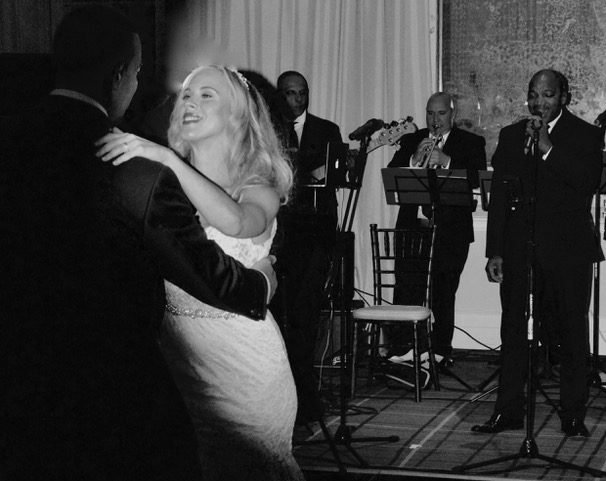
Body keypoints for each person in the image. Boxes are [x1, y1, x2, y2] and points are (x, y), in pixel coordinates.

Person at [0, 6, 275, 480]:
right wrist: (263, 284)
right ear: (120, 75)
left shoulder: (12, 137)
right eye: (138, 71)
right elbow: (207, 273)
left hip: (21, 364)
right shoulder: (136, 169)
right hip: (114, 373)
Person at [96, 65, 304, 480]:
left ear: (237, 115)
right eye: (187, 94)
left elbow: (237, 223)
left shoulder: (257, 186)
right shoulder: (158, 184)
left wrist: (167, 158)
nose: (190, 102)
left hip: (243, 364)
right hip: (177, 361)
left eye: (207, 94)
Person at [472, 69, 603, 437]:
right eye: (533, 94)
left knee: (571, 333)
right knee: (513, 329)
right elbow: (500, 197)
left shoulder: (586, 135)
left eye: (547, 95)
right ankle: (508, 411)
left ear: (564, 97)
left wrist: (547, 148)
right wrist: (495, 251)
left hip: (568, 251)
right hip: (519, 250)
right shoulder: (511, 135)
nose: (538, 102)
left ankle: (573, 413)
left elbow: (586, 183)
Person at [387, 92, 486, 366]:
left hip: (451, 230)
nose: (435, 120)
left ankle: (440, 350)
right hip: (413, 227)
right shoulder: (412, 139)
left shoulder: (471, 142)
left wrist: (447, 162)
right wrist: (413, 160)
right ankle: (405, 347)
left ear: (453, 114)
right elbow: (392, 172)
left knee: (443, 291)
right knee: (407, 287)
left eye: (441, 114)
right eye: (430, 113)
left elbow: (477, 176)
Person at [270, 70, 343, 424]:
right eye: (290, 93)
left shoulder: (327, 130)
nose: (297, 100)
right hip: (279, 235)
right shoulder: (269, 130)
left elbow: (335, 176)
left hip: (316, 235)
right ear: (279, 95)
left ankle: (306, 394)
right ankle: (280, 392)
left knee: (307, 314)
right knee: (277, 313)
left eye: (302, 93)